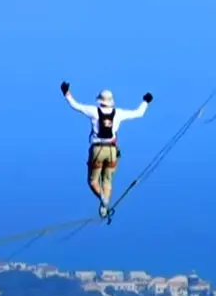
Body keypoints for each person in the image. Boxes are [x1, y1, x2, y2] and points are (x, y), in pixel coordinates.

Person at [61, 81, 152, 218]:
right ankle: (105, 205)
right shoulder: (119, 113)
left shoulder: (93, 111)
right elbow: (138, 113)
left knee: (93, 181)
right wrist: (146, 101)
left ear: (99, 101)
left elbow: (76, 106)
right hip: (112, 151)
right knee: (107, 180)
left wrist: (66, 93)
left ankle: (103, 199)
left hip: (98, 150)